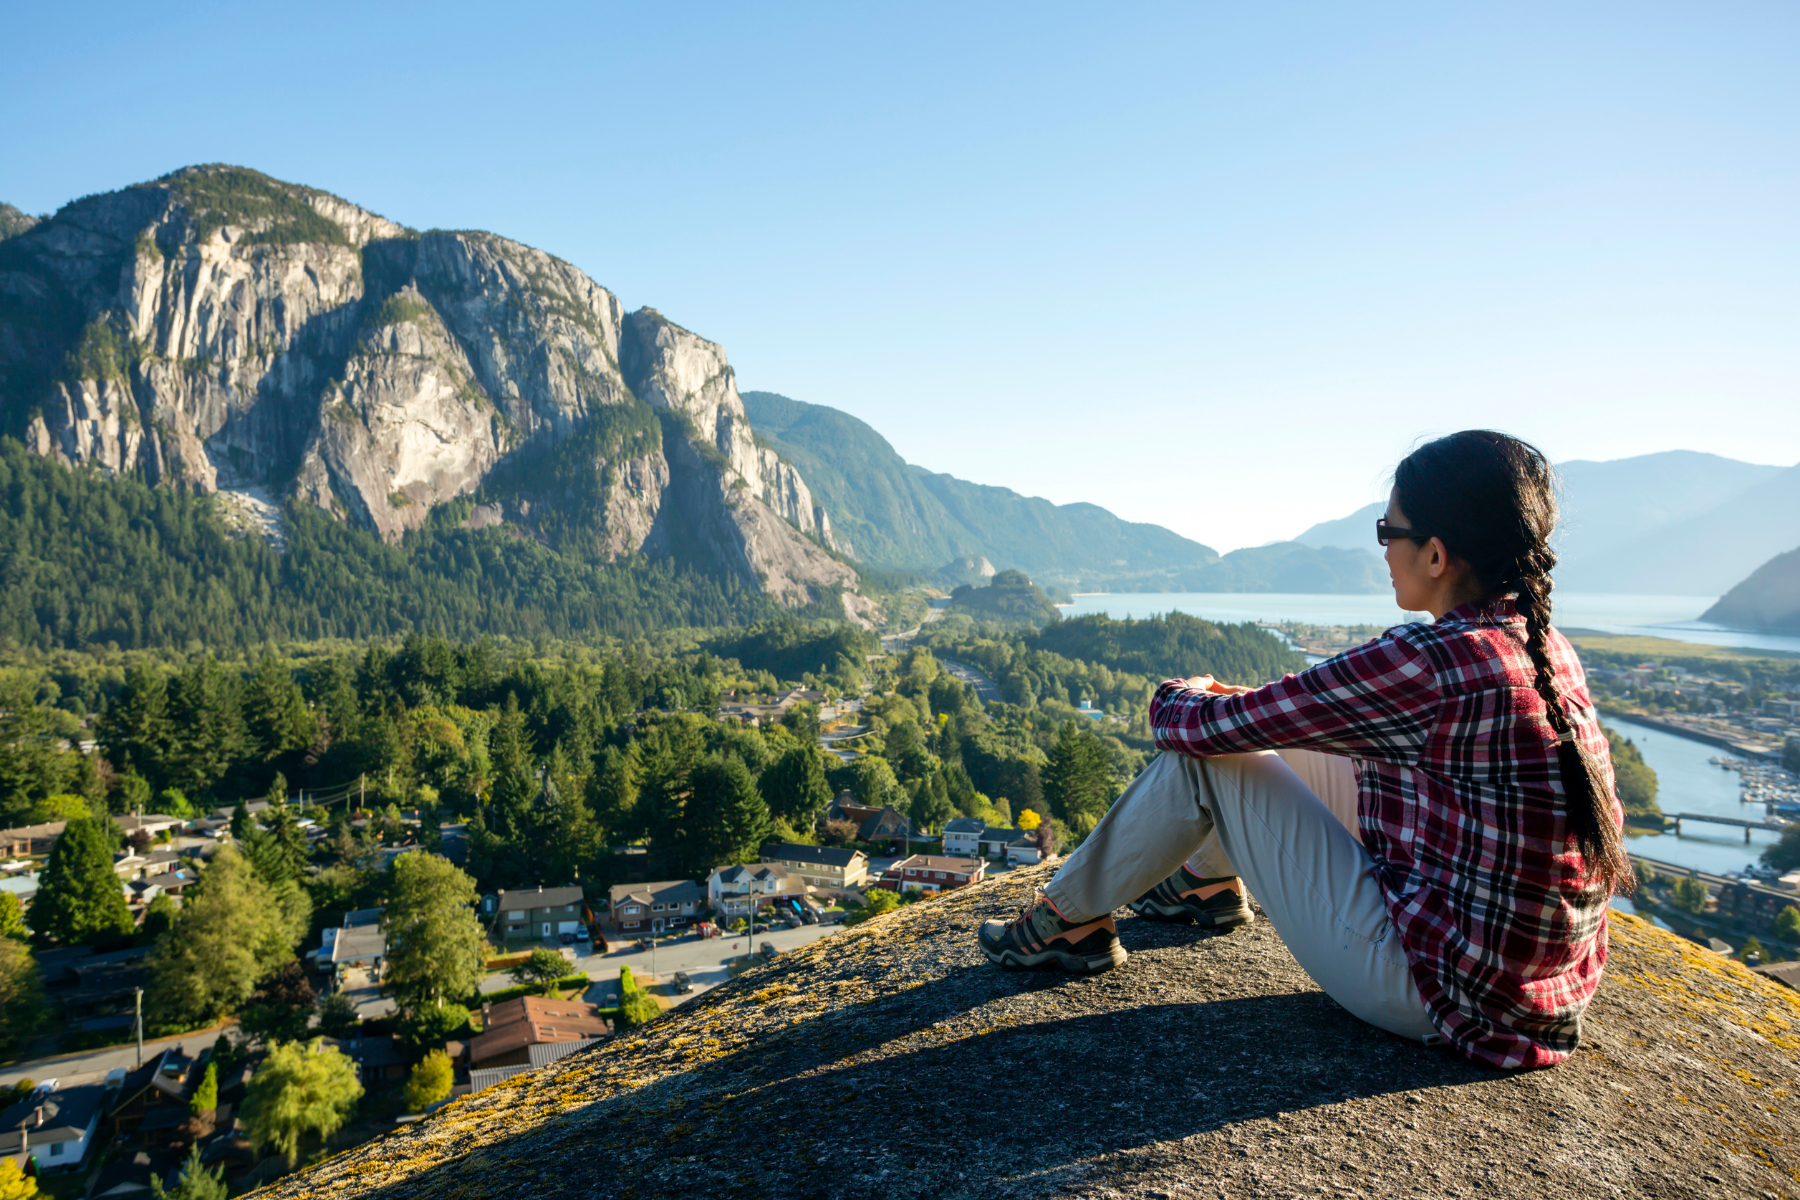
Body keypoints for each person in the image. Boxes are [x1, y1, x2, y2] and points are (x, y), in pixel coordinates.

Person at [977, 430, 1630, 1070]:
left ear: (1436, 556)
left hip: (1442, 994)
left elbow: (1191, 729)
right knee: (1265, 736)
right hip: (1533, 992)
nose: (1381, 550)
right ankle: (1202, 886)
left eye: (1387, 533)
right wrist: (1247, 710)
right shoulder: (1539, 648)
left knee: (1206, 758)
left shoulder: (1431, 661)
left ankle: (1064, 920)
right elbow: (1298, 718)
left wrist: (1188, 691)